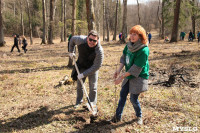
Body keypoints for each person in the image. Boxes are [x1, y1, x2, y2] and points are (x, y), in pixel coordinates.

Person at [110, 25, 149, 125]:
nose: (132, 36)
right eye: (131, 33)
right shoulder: (129, 45)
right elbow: (123, 58)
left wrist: (120, 77)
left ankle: (139, 116)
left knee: (133, 98)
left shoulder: (143, 50)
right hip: (128, 74)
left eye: (135, 34)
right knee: (122, 94)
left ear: (140, 36)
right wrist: (118, 70)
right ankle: (117, 117)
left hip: (139, 76)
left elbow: (135, 69)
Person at [68, 30, 104, 114]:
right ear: (87, 38)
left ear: (97, 41)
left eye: (94, 41)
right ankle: (78, 102)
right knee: (80, 85)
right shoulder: (80, 40)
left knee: (93, 87)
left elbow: (97, 66)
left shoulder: (99, 51)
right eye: (90, 39)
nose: (92, 42)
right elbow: (72, 39)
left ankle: (92, 104)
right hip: (82, 65)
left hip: (93, 68)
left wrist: (84, 74)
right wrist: (71, 52)